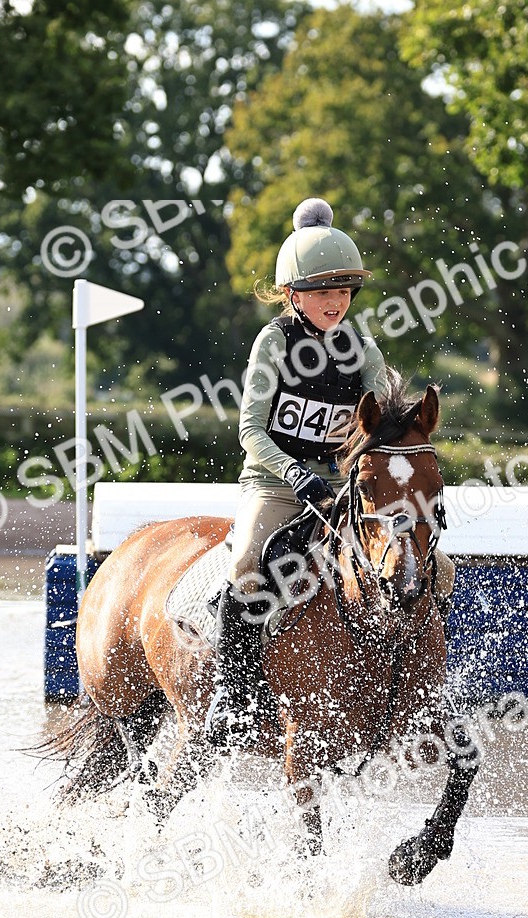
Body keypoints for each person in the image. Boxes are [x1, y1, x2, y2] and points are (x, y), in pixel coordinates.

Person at [207, 197, 388, 746]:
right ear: (293, 295)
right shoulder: (274, 342)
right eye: (321, 292)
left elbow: (384, 415)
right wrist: (294, 473)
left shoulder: (362, 347)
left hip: (340, 489)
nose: (335, 302)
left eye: (342, 292)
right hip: (275, 485)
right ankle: (232, 699)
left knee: (432, 568)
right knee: (244, 567)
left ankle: (406, 686)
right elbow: (250, 432)